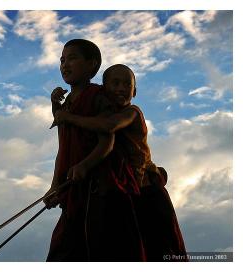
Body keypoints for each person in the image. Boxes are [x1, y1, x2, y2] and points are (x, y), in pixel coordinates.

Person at [51, 64, 187, 261]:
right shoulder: (98, 112)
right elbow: (67, 138)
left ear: (135, 91)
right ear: (103, 89)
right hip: (128, 191)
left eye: (127, 84)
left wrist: (68, 116)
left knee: (161, 251)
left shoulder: (132, 112)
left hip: (148, 190)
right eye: (115, 83)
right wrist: (57, 106)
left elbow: (109, 126)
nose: (121, 88)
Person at [44, 40, 145, 261]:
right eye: (62, 60)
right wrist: (54, 186)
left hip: (100, 189)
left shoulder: (98, 97)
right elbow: (64, 149)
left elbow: (107, 142)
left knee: (99, 250)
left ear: (91, 65)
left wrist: (84, 165)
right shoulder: (68, 102)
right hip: (74, 189)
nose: (65, 64)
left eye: (72, 58)